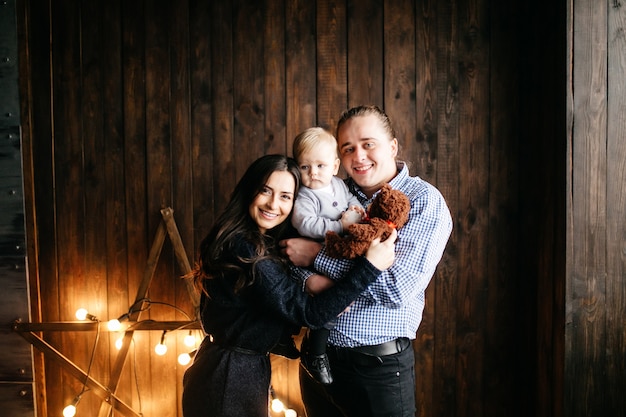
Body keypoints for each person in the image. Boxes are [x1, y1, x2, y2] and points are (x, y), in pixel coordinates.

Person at [181, 154, 397, 417]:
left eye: (285, 196)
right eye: (265, 191)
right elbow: (308, 313)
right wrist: (369, 268)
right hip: (228, 375)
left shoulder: (260, 242)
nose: (273, 204)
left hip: (235, 368)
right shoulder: (246, 250)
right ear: (249, 191)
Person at [280, 105, 453, 417]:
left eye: (368, 144)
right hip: (315, 359)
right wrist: (310, 279)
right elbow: (288, 252)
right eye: (348, 148)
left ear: (392, 146)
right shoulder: (332, 192)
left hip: (376, 368)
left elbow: (396, 289)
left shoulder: (422, 202)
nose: (358, 157)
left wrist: (317, 255)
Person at [290, 127, 365, 385]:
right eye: (305, 167)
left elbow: (351, 200)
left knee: (343, 295)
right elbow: (304, 224)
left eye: (320, 166)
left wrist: (359, 210)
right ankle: (316, 352)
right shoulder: (304, 195)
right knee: (328, 306)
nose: (313, 173)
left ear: (334, 166)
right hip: (315, 260)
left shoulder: (338, 186)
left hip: (337, 255)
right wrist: (340, 227)